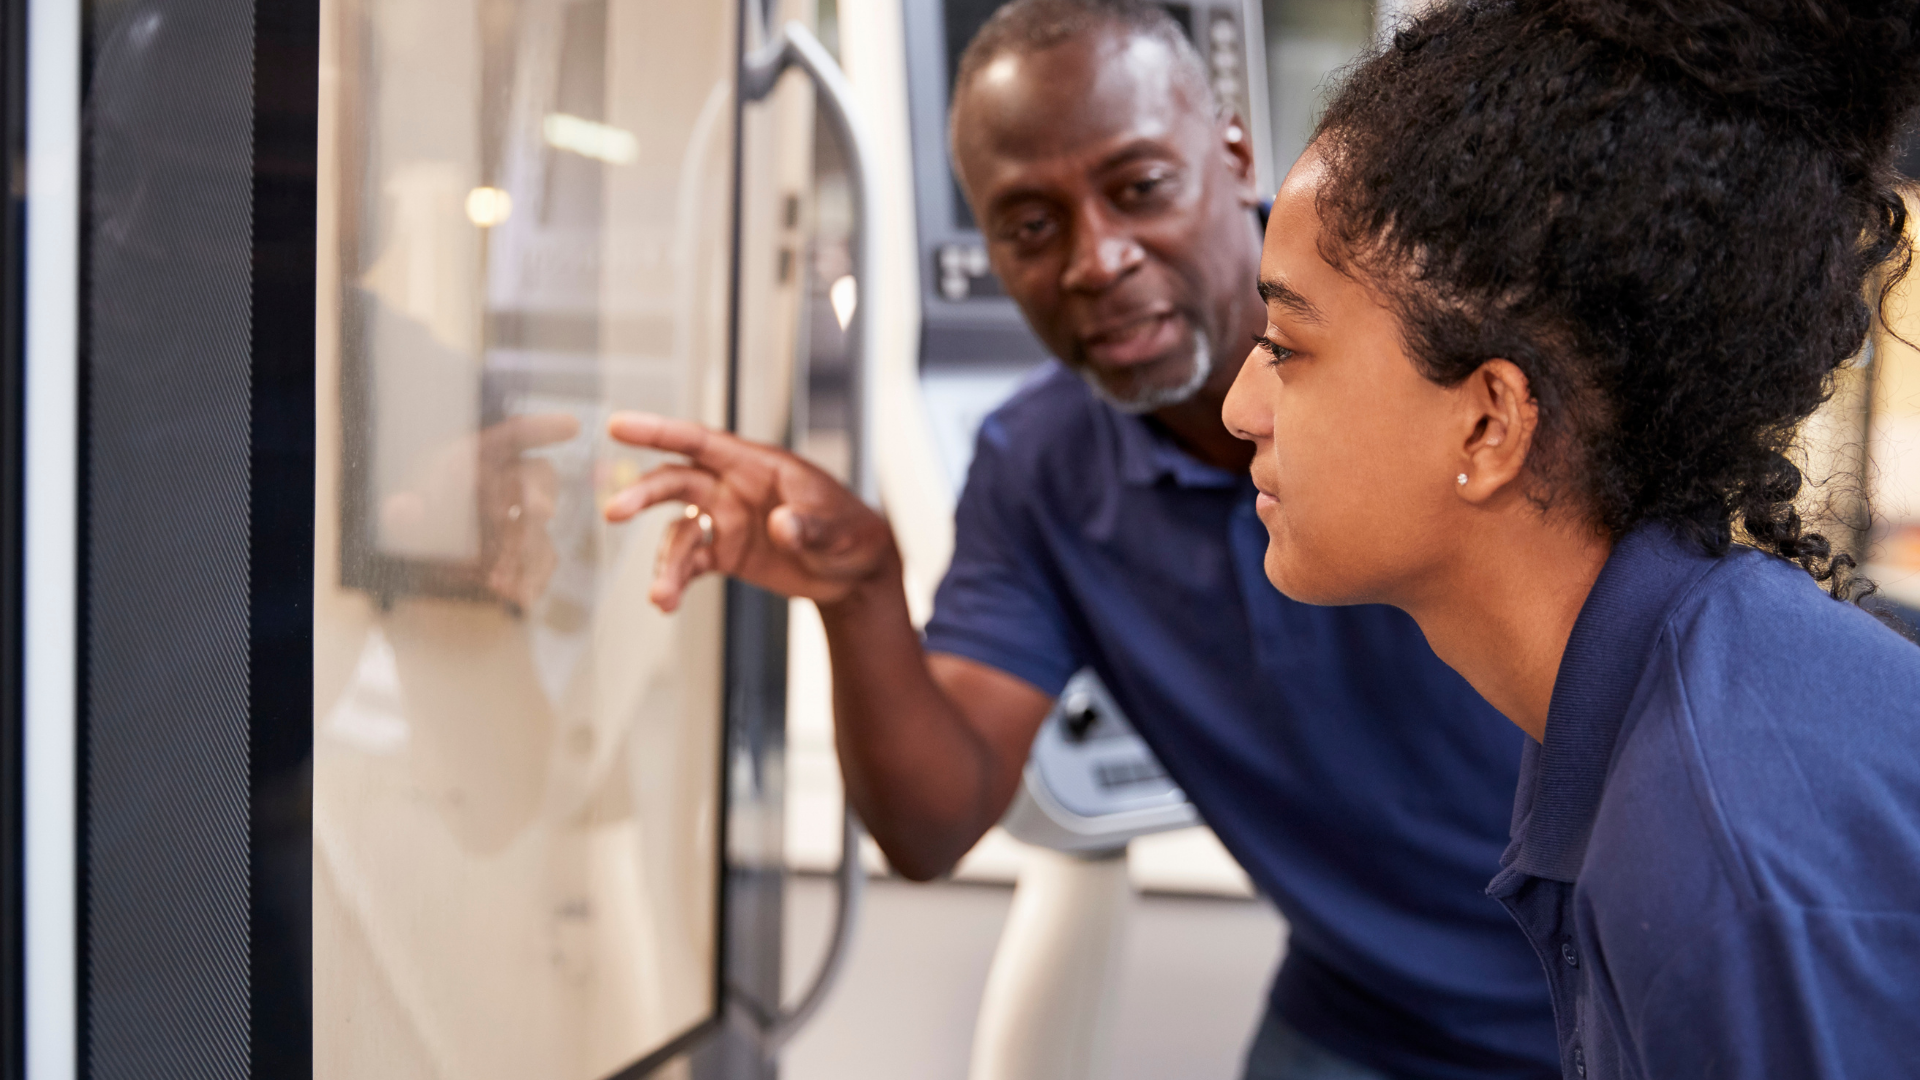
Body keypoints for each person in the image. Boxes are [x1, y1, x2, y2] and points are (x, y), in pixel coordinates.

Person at [605, 2, 1559, 1076]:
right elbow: (931, 825)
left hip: (1609, 989)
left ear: (1237, 158)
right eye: (1028, 225)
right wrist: (861, 587)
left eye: (1140, 188)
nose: (1095, 260)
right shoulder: (1041, 471)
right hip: (1361, 1013)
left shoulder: (1442, 362)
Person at [1220, 0, 1920, 1076]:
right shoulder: (1641, 707)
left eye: (1285, 344)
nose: (1239, 408)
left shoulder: (1717, 856)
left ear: (1490, 422)